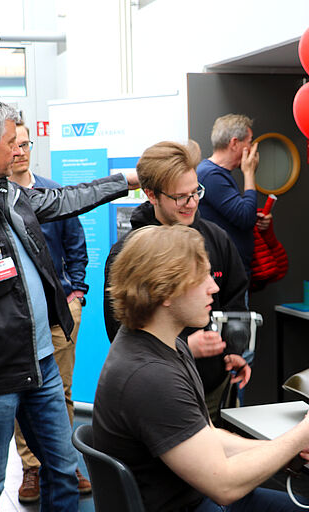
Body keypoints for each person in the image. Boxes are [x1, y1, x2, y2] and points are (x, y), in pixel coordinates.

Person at [0, 95, 137, 512]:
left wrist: (127, 180)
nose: (20, 149)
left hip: (43, 363)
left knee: (64, 471)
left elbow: (64, 200)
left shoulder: (9, 194)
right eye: (12, 141)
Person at [94, 224, 309, 512]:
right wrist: (305, 432)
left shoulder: (165, 345)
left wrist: (290, 446)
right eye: (200, 277)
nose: (214, 287)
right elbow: (225, 486)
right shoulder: (150, 377)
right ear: (164, 291)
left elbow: (206, 438)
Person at [104, 141, 250, 424]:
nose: (192, 203)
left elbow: (236, 299)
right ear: (151, 195)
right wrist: (184, 346)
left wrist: (234, 349)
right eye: (181, 197)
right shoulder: (130, 253)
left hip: (214, 384)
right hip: (158, 389)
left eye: (196, 192)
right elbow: (121, 330)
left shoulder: (217, 238)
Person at [9, 121, 92, 502]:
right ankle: (32, 468)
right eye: (15, 144)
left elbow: (77, 245)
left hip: (61, 310)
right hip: (18, 315)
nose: (21, 150)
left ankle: (66, 461)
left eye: (26, 144)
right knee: (24, 391)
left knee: (63, 391)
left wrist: (76, 295)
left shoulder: (54, 193)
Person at [196, 114, 272, 271]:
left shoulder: (218, 173)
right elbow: (245, 218)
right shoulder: (211, 175)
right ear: (235, 143)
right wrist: (249, 173)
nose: (251, 149)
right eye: (249, 142)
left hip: (234, 268)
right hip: (225, 271)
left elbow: (236, 214)